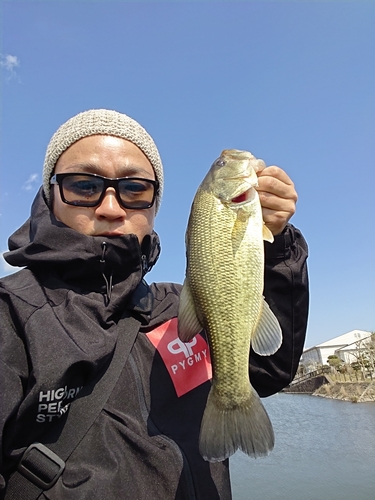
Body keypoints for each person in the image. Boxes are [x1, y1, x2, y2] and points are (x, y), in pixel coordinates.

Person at [0, 109, 309, 499]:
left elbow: (268, 370)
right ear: (49, 197)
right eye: (83, 185)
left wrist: (278, 249)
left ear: (154, 206)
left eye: (134, 189)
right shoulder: (9, 315)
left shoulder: (178, 306)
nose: (110, 207)